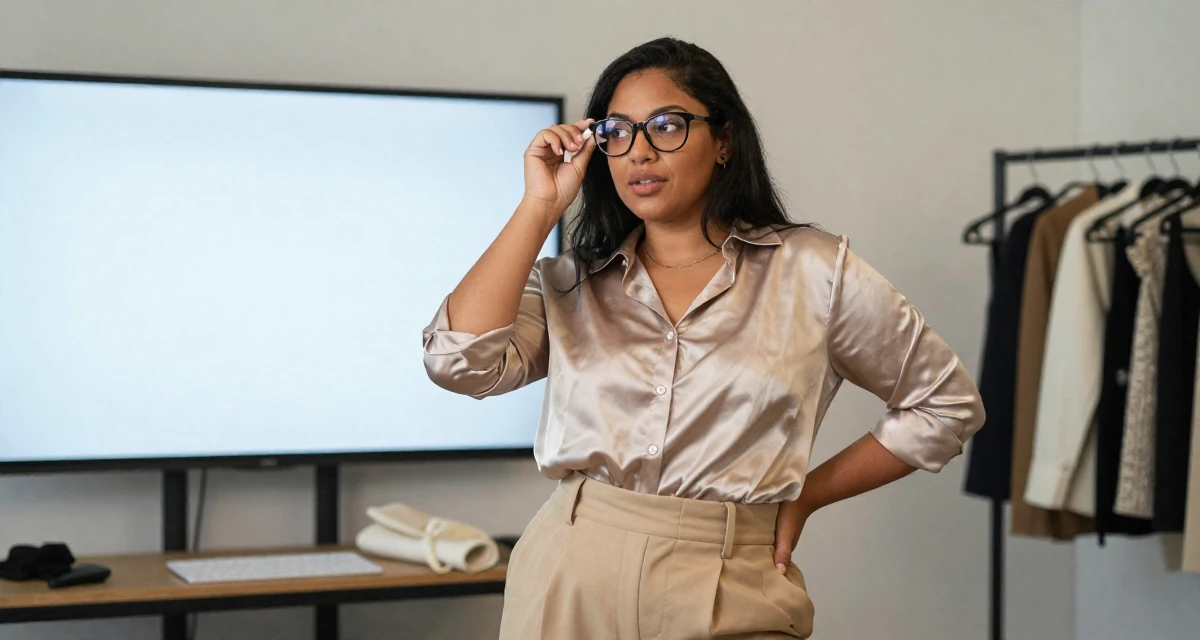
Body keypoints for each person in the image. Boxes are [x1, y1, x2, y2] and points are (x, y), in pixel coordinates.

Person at [422, 37, 985, 640]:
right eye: (618, 131)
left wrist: (808, 496)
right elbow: (458, 362)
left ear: (724, 141)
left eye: (666, 125)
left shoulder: (815, 271)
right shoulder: (572, 283)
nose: (639, 152)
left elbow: (945, 405)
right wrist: (539, 206)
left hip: (732, 578)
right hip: (571, 572)